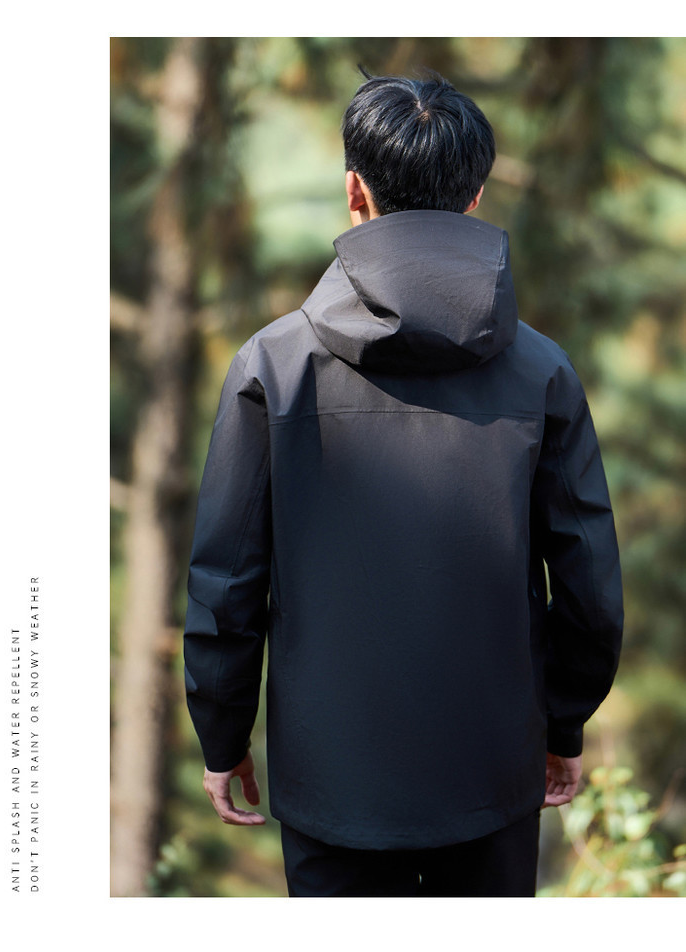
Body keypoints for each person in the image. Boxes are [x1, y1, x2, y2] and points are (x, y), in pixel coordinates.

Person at [183, 69, 623, 897]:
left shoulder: (272, 365)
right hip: (491, 773)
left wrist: (222, 731)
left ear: (355, 190)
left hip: (331, 782)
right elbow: (589, 585)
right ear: (476, 195)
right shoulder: (542, 371)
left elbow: (227, 583)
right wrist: (563, 722)